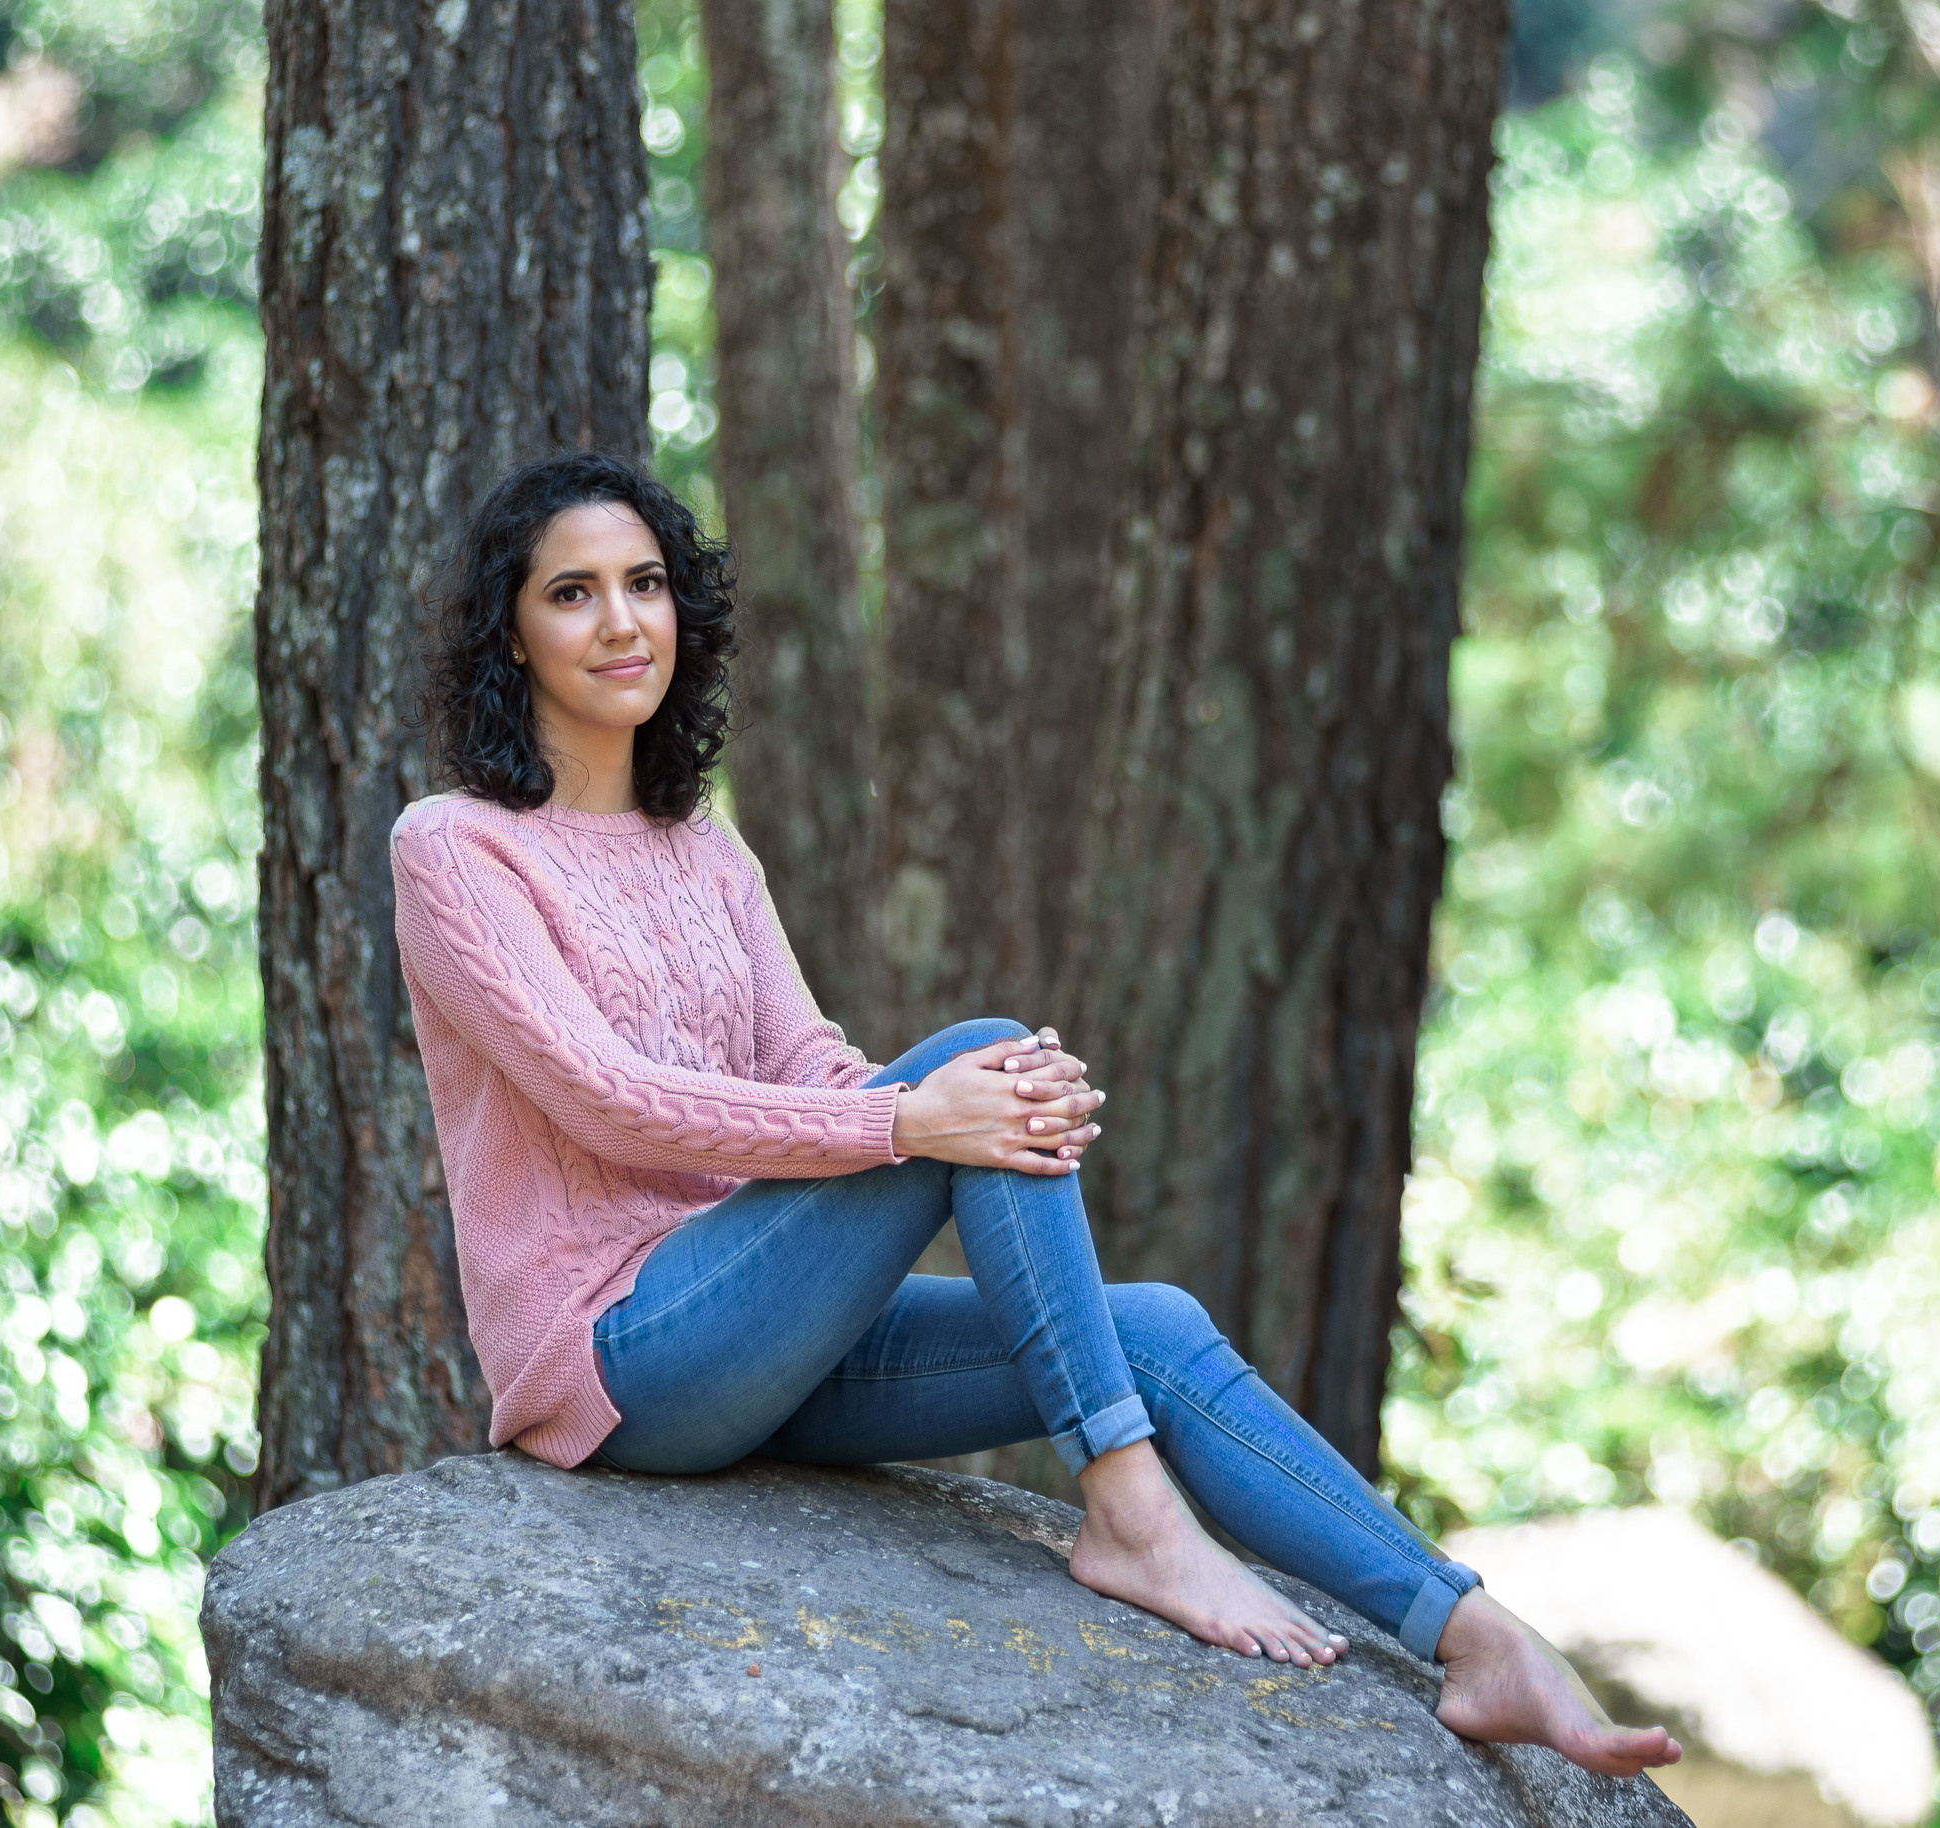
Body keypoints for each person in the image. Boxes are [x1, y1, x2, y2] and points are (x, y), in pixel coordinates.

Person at [391, 450, 1679, 1777]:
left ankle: (1470, 1633)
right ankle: (1125, 1503)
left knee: (1156, 1326)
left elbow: (812, 1065)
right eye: (573, 593)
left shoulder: (700, 844)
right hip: (621, 1360)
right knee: (977, 1064)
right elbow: (609, 1104)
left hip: (770, 1346)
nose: (621, 622)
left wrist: (956, 1108)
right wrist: (920, 1120)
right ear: (513, 633)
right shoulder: (454, 848)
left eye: (646, 584)